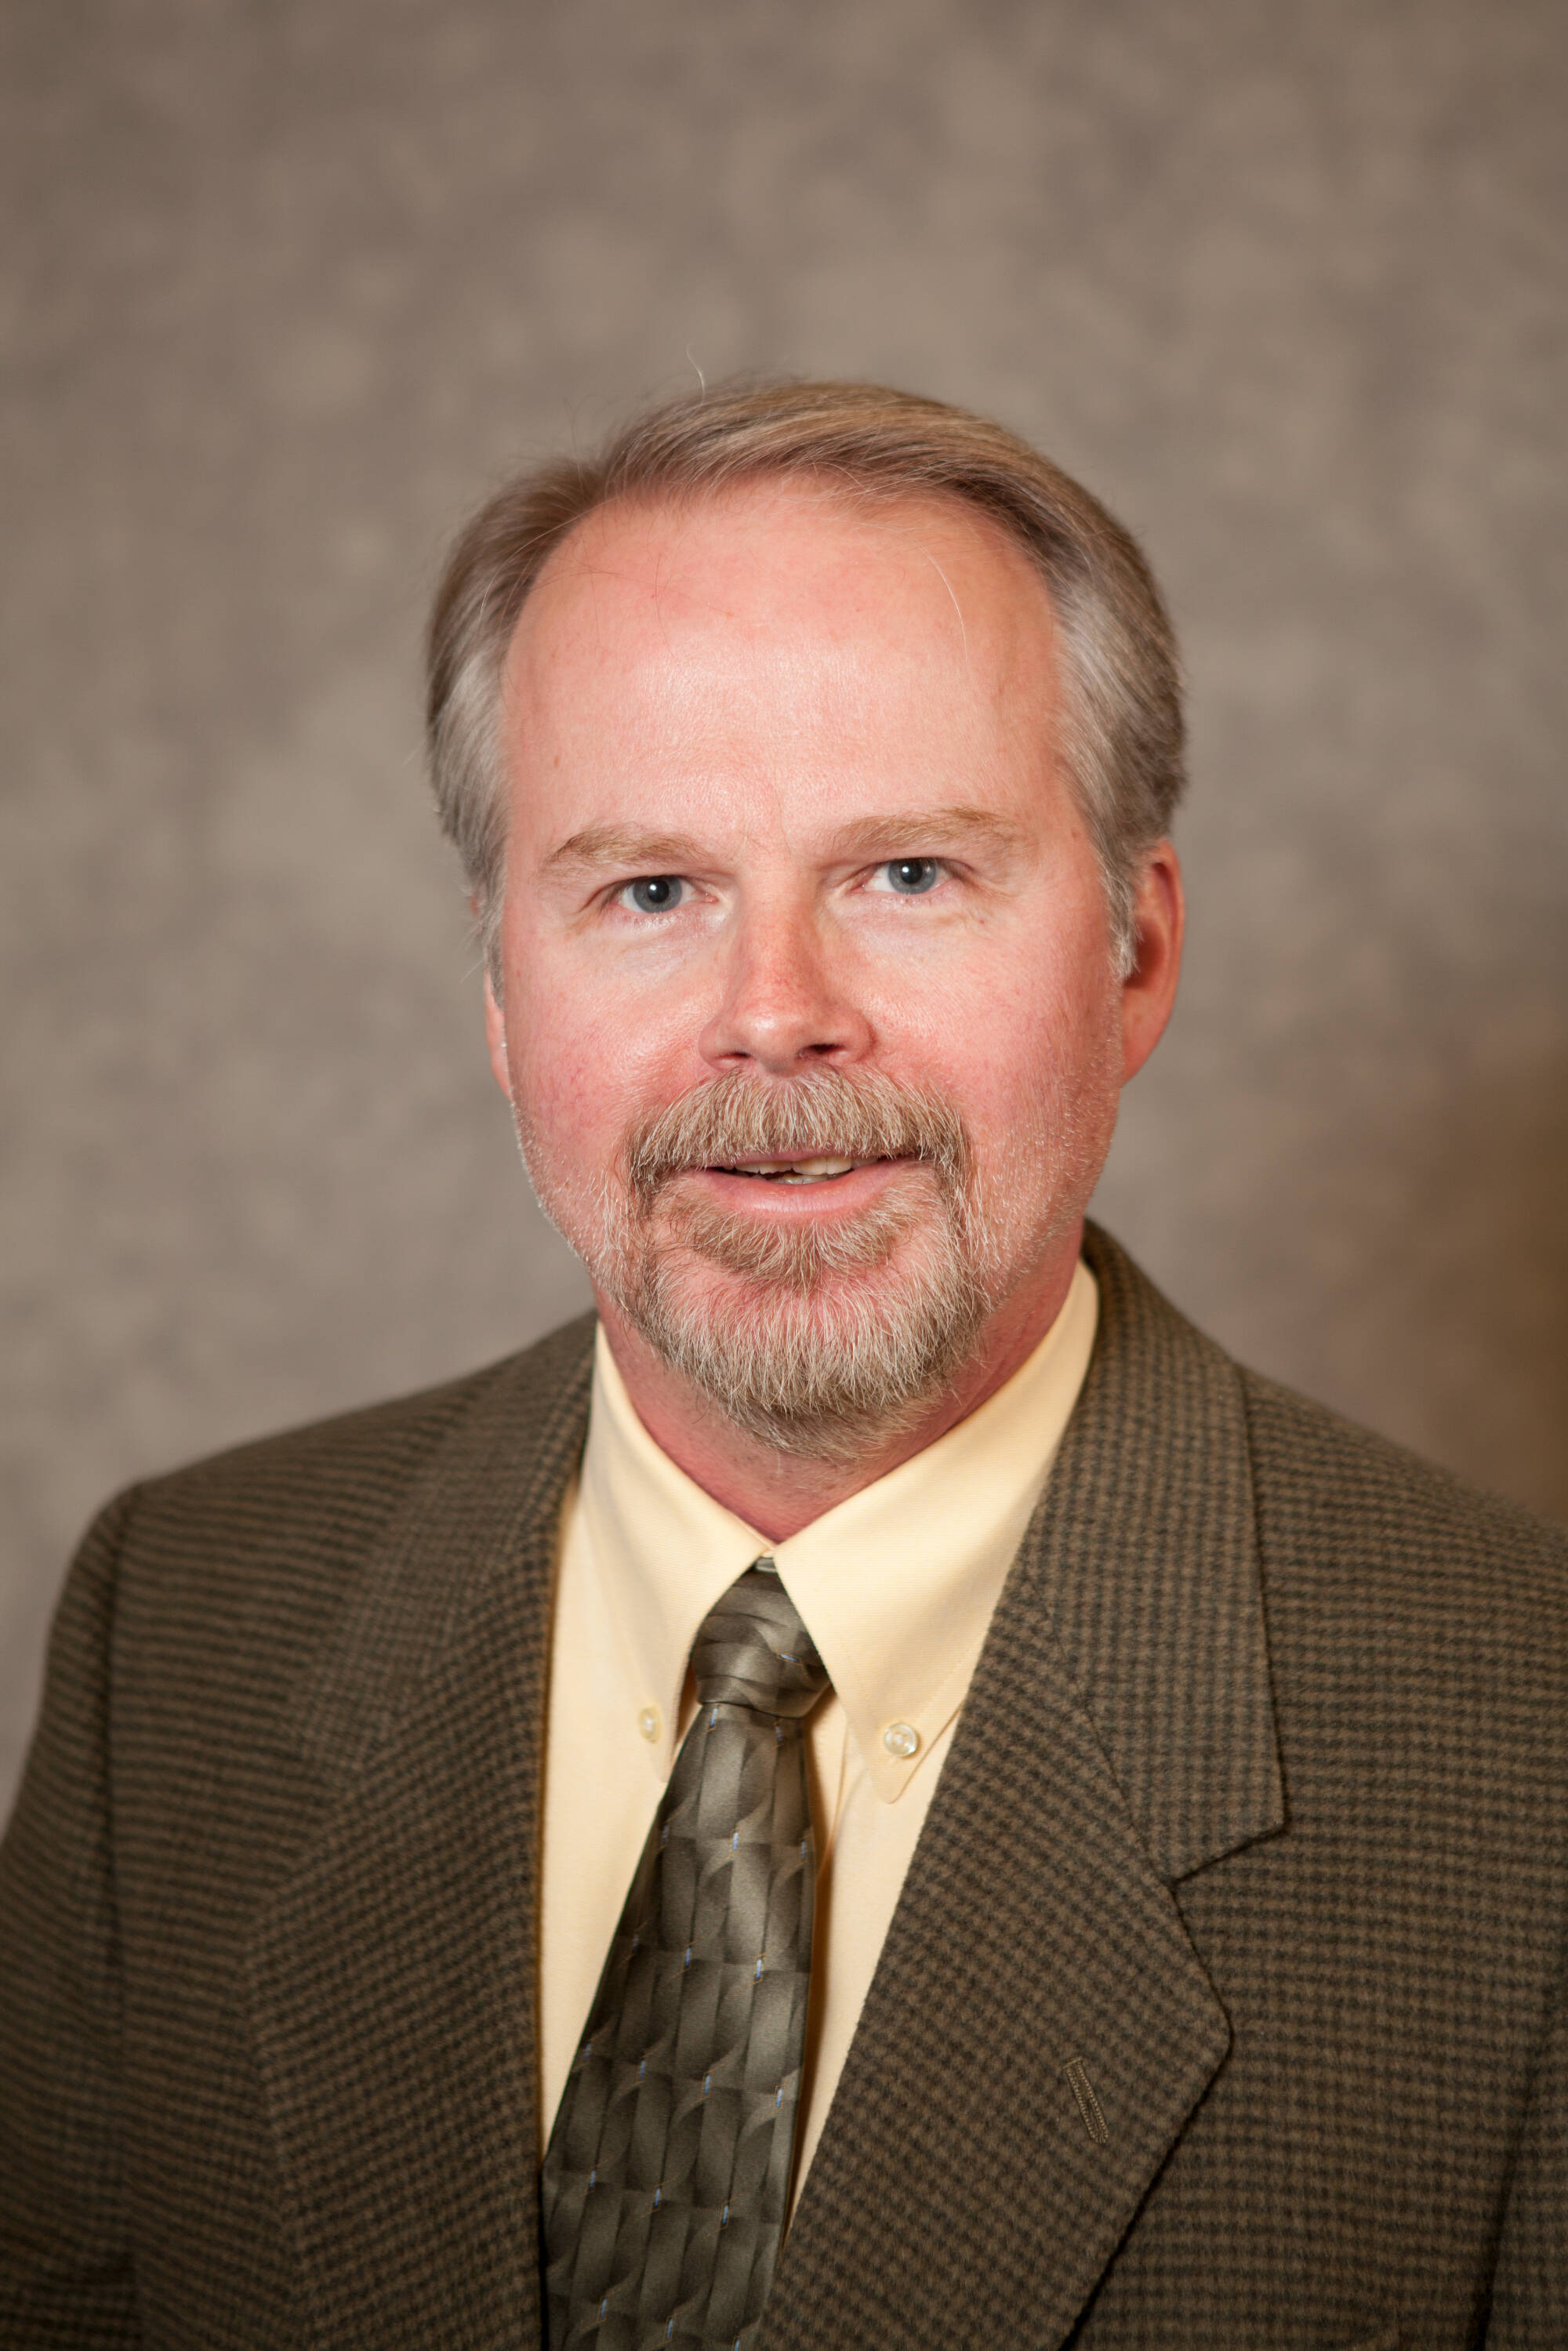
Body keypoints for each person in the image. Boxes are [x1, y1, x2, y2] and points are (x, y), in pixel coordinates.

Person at [1, 380, 1563, 2351]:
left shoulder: (1526, 1748)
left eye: (908, 873)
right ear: (502, 997)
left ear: (1134, 955)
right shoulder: (187, 1635)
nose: (775, 1020)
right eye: (648, 892)